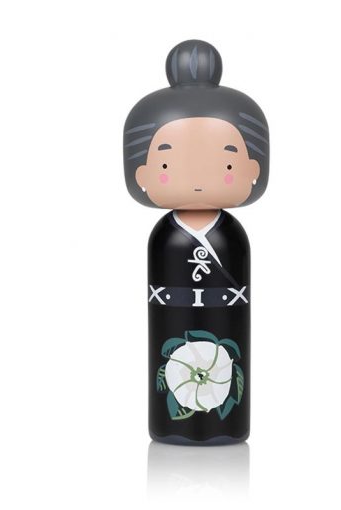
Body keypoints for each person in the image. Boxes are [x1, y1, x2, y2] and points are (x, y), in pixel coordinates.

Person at [124, 40, 269, 445]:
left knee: (225, 367)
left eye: (227, 162)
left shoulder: (231, 235)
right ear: (141, 174)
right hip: (173, 324)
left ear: (253, 169)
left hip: (226, 322)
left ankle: (225, 422)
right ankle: (173, 421)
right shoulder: (165, 237)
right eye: (166, 163)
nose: (199, 177)